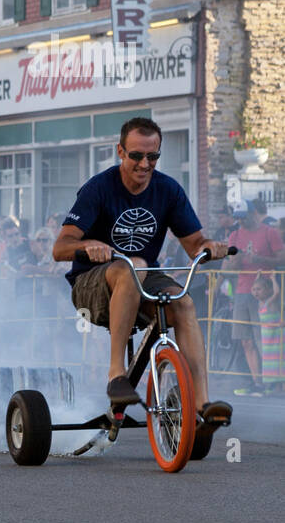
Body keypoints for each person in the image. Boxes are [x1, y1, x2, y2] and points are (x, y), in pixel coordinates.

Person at [52, 117, 232, 434]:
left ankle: (202, 405)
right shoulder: (99, 188)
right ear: (121, 151)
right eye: (136, 155)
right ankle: (116, 375)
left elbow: (193, 245)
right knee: (130, 264)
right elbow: (59, 248)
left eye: (152, 156)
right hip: (91, 286)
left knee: (184, 303)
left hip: (141, 278)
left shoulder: (168, 190)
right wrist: (89, 245)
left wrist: (209, 247)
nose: (144, 164)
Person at [226, 197, 285, 392]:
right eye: (238, 218)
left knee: (265, 337)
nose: (241, 221)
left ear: (253, 214)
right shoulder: (234, 235)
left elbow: (281, 257)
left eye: (244, 217)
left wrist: (259, 259)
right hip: (243, 290)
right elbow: (230, 265)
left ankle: (272, 381)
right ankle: (257, 381)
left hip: (267, 291)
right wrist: (236, 260)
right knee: (246, 339)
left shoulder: (269, 232)